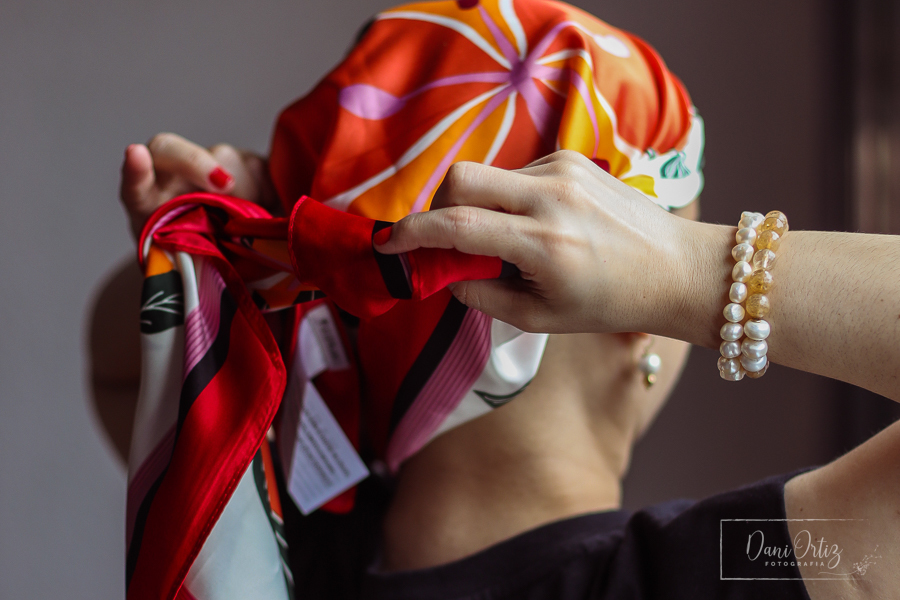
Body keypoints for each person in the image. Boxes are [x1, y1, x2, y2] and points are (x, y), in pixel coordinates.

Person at [90, 1, 897, 599]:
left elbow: (117, 355)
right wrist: (695, 274)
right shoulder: (722, 571)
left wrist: (254, 247)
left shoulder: (285, 540)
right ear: (632, 325)